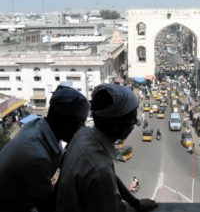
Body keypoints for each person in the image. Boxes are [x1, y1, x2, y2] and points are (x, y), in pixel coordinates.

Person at [55, 83, 157, 212]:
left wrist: (135, 203)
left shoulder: (83, 134)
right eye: (133, 120)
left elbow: (112, 177)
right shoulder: (99, 169)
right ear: (118, 126)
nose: (134, 125)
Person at [0, 85, 90, 212]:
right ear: (64, 120)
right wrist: (67, 167)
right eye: (80, 122)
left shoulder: (36, 126)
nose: (81, 128)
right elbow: (49, 207)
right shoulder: (35, 156)